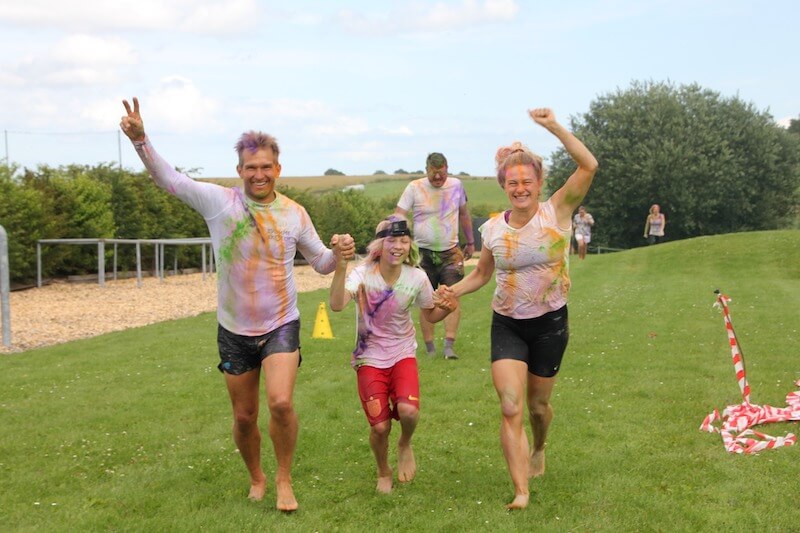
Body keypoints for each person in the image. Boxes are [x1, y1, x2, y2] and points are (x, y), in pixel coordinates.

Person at [119, 97, 355, 512]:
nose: (259, 174)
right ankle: (257, 476)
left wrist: (341, 252)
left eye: (266, 167)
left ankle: (283, 479)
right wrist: (142, 142)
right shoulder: (220, 204)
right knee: (244, 417)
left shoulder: (294, 213)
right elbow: (170, 180)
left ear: (278, 169)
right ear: (240, 171)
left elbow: (320, 262)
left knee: (280, 403)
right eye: (251, 167)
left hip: (282, 323)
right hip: (234, 330)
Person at [441, 108, 598, 509]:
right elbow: (482, 275)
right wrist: (452, 292)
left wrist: (552, 127)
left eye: (528, 181)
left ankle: (540, 446)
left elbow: (589, 164)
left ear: (540, 182)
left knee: (537, 407)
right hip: (507, 324)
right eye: (513, 183)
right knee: (510, 405)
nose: (521, 188)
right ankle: (521, 491)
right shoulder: (493, 229)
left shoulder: (557, 211)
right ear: (503, 185)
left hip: (550, 323)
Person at [329, 216, 456, 493]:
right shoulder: (363, 274)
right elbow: (337, 305)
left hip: (402, 354)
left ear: (409, 244)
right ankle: (383, 470)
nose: (398, 246)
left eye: (403, 240)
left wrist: (447, 308)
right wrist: (340, 266)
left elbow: (430, 315)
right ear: (379, 245)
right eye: (391, 240)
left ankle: (405, 443)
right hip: (369, 357)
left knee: (409, 412)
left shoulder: (417, 277)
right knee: (379, 428)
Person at [394, 152, 474, 360]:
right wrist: (400, 241)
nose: (438, 178)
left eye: (442, 174)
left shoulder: (456, 185)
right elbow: (399, 214)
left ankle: (449, 347)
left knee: (451, 296)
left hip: (451, 252)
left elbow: (464, 214)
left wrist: (471, 241)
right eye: (433, 174)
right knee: (426, 300)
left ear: (447, 169)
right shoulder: (414, 187)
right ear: (426, 170)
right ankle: (430, 349)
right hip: (422, 255)